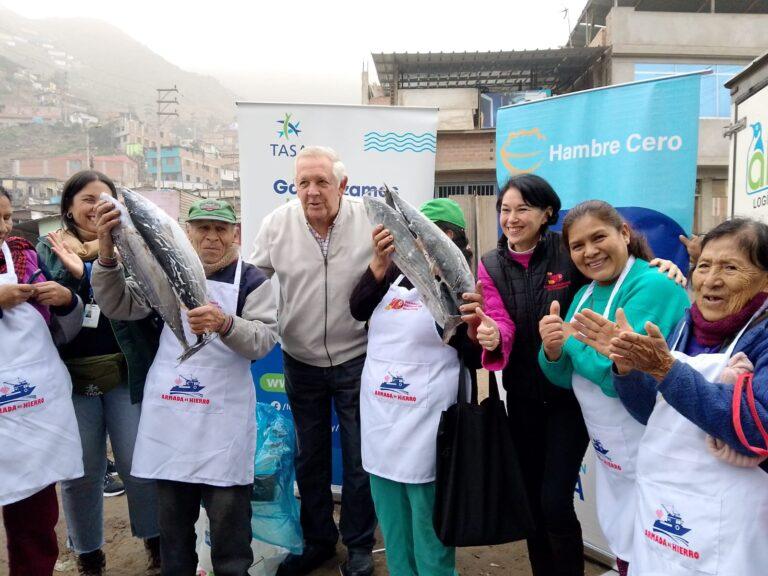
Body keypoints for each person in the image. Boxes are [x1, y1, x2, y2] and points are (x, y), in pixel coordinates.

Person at [478, 176, 684, 576]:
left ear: (546, 214)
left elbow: (626, 276)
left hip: (571, 407)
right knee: (534, 505)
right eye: (505, 209)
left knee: (556, 502)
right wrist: (499, 337)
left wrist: (667, 265)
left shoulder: (568, 255)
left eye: (522, 209)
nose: (512, 218)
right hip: (524, 394)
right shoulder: (490, 264)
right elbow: (505, 324)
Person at [92, 197, 278, 576]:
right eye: (202, 228)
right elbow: (117, 305)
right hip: (172, 425)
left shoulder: (253, 280)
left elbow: (262, 340)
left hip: (222, 429)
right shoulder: (162, 269)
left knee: (230, 540)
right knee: (174, 541)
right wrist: (107, 256)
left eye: (220, 229)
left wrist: (226, 324)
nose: (211, 237)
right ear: (186, 233)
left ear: (236, 234)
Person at [537, 200, 690, 576]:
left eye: (599, 237)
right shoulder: (586, 293)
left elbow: (616, 375)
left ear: (624, 233)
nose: (589, 252)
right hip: (613, 455)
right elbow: (564, 377)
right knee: (624, 537)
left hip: (653, 446)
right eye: (578, 246)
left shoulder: (652, 285)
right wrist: (553, 350)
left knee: (659, 544)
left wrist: (571, 339)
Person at [609, 218, 768, 575]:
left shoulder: (762, 334)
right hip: (666, 506)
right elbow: (651, 413)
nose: (710, 280)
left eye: (730, 267)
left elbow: (761, 428)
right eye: (704, 265)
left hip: (733, 521)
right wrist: (627, 368)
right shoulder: (685, 323)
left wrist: (666, 370)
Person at [249, 146, 377, 576]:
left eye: (321, 181)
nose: (312, 191)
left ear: (342, 184)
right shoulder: (276, 224)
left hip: (357, 357)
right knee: (310, 457)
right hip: (299, 359)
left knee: (360, 459)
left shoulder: (371, 218)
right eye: (303, 182)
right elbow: (250, 280)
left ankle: (359, 545)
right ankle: (319, 540)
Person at [350, 199, 485, 576]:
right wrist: (378, 262)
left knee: (430, 534)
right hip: (383, 425)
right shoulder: (391, 277)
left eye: (445, 235)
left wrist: (471, 328)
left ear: (458, 243)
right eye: (424, 233)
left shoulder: (464, 287)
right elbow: (358, 308)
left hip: (430, 431)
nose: (431, 242)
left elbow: (474, 357)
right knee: (394, 532)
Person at [36, 171, 161, 576]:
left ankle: (155, 540)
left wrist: (91, 270)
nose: (95, 207)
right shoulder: (46, 250)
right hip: (72, 379)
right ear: (68, 207)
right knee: (82, 472)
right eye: (86, 199)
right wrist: (70, 281)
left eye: (103, 199)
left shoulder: (131, 243)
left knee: (138, 465)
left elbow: (147, 298)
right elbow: (41, 310)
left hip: (127, 371)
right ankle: (89, 552)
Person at [0, 186, 84, 576]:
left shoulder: (25, 257)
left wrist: (66, 300)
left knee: (33, 527)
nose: (4, 227)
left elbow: (63, 330)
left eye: (6, 217)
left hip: (27, 421)